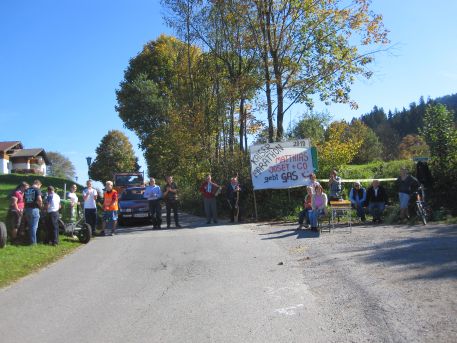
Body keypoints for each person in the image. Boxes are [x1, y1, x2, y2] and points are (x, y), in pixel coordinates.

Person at [24, 179, 43, 245]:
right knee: (34, 227)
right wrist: (41, 207)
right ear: (38, 184)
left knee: (30, 226)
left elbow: (24, 200)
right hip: (34, 209)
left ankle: (29, 240)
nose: (40, 187)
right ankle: (33, 243)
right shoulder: (37, 189)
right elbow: (39, 199)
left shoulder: (27, 190)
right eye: (40, 186)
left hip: (27, 209)